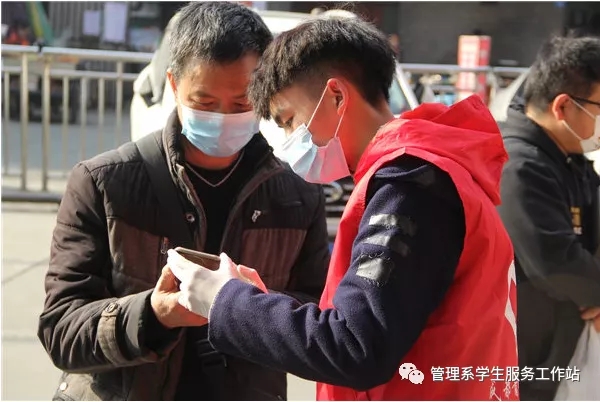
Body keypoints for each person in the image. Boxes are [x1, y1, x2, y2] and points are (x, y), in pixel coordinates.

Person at [166, 15, 519, 401]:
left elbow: (355, 345)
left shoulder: (408, 184)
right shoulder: (437, 167)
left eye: (290, 121)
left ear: (336, 96)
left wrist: (226, 301)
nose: (288, 141)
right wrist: (259, 302)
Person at [37, 2, 329, 400]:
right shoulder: (103, 184)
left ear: (265, 94)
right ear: (173, 85)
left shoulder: (297, 197)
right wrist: (153, 314)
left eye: (242, 104)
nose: (222, 117)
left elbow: (321, 322)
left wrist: (252, 310)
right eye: (205, 103)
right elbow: (61, 330)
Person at [496, 36, 600, 401]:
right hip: (528, 355)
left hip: (559, 345)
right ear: (564, 106)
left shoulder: (570, 159)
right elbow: (555, 263)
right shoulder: (519, 166)